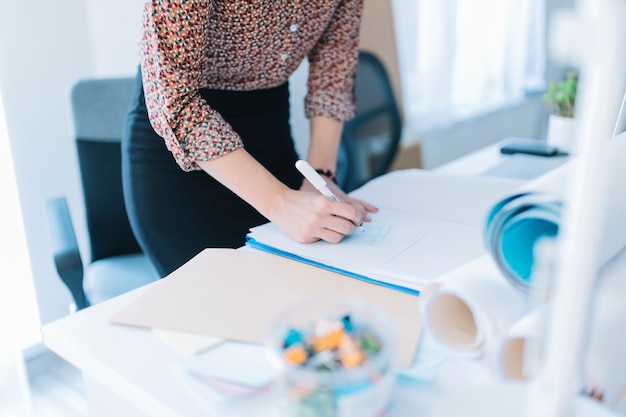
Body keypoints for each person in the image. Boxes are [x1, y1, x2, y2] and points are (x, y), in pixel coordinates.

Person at [122, 0, 378, 277]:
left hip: (271, 138)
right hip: (181, 156)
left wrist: (320, 176)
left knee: (297, 288)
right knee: (218, 306)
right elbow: (177, 101)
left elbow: (333, 72)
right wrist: (279, 203)